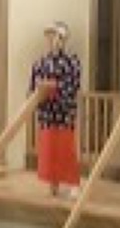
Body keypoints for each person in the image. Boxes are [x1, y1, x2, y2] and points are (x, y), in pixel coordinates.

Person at [29, 21, 82, 198]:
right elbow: (33, 88)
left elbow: (72, 85)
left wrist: (54, 86)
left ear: (63, 39)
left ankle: (73, 182)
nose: (53, 40)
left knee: (65, 149)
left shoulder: (71, 61)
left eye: (57, 37)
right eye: (50, 36)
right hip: (46, 113)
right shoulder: (39, 63)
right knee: (49, 150)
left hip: (63, 113)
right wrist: (39, 91)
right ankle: (53, 184)